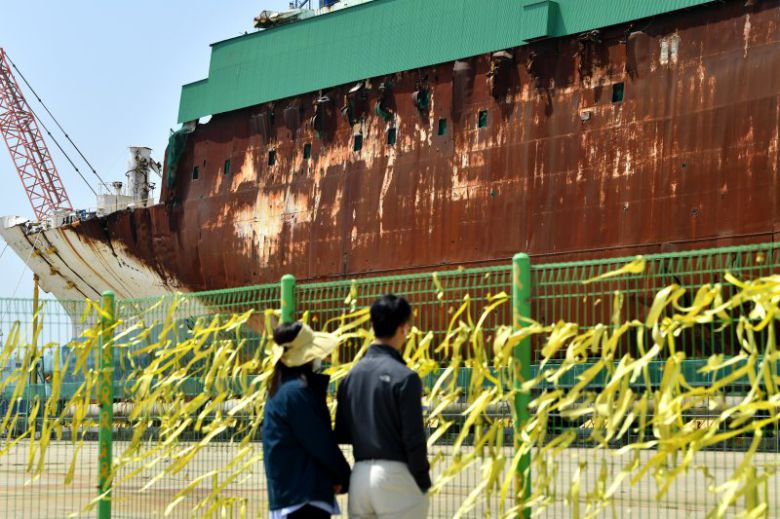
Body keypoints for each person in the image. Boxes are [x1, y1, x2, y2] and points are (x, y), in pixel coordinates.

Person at [335, 294, 431, 519]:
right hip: (396, 475)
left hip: (360, 477)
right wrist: (422, 480)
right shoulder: (405, 377)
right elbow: (413, 438)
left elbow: (342, 432)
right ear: (403, 328)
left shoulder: (350, 377)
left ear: (372, 325)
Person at [263, 321, 351, 519]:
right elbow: (319, 442)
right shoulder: (296, 393)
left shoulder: (280, 390)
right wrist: (344, 476)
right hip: (304, 496)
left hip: (291, 494)